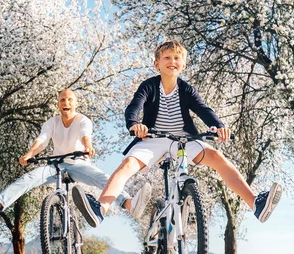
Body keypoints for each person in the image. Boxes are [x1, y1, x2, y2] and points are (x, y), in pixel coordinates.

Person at [72, 40, 282, 228]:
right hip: (152, 138)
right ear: (157, 64)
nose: (172, 61)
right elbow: (135, 106)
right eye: (166, 58)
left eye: (177, 58)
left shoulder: (186, 89)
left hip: (182, 139)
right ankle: (100, 209)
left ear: (182, 64)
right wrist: (135, 124)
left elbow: (203, 109)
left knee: (217, 158)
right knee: (127, 166)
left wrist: (218, 126)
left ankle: (255, 203)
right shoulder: (149, 86)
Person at [0, 88, 152, 222]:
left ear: (75, 103)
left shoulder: (83, 120)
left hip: (77, 163)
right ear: (58, 104)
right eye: (62, 100)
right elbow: (42, 140)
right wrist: (29, 154)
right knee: (28, 178)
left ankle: (129, 204)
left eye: (70, 100)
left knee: (103, 179)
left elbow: (85, 135)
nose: (66, 103)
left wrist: (88, 147)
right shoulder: (52, 122)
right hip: (55, 165)